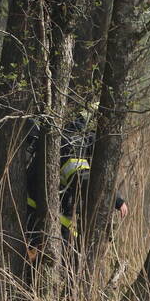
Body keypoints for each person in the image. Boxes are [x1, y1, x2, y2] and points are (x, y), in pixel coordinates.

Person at [24, 107, 127, 257]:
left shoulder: (64, 137)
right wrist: (117, 200)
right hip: (43, 222)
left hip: (35, 216)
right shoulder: (73, 148)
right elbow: (86, 181)